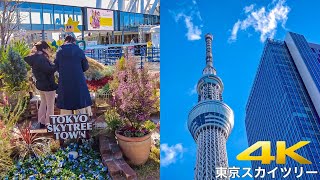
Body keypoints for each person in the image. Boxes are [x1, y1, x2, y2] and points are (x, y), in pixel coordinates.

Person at [54, 36, 92, 115]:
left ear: (65, 41)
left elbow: (56, 66)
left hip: (65, 82)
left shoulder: (59, 51)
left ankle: (67, 125)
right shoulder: (79, 51)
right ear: (74, 41)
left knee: (65, 107)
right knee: (80, 104)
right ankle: (80, 124)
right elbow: (85, 66)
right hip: (78, 81)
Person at [24, 41, 57, 128]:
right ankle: (49, 124)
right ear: (43, 49)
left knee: (43, 103)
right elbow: (49, 70)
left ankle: (41, 122)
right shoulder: (41, 59)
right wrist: (56, 65)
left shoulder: (34, 58)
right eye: (47, 48)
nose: (48, 50)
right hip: (48, 85)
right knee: (50, 106)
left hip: (41, 84)